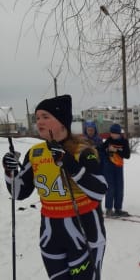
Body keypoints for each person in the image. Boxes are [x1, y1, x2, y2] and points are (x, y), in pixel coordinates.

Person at [2, 94, 107, 280]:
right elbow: (19, 193)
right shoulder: (35, 152)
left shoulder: (82, 150)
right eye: (37, 118)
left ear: (62, 122)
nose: (39, 122)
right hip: (50, 235)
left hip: (84, 231)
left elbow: (99, 190)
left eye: (45, 117)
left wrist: (68, 163)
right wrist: (9, 173)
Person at [102, 123, 131, 217]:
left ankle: (118, 208)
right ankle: (109, 209)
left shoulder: (124, 141)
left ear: (119, 133)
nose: (113, 135)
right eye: (112, 133)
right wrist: (107, 150)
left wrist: (117, 151)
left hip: (118, 167)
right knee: (110, 188)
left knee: (119, 188)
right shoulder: (108, 141)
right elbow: (101, 151)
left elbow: (127, 155)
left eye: (116, 133)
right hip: (108, 167)